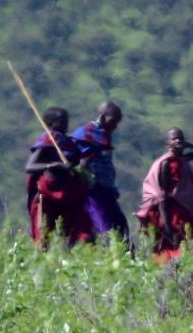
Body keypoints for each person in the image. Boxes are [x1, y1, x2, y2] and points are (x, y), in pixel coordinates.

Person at [137, 128, 193, 264]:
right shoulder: (166, 162)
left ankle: (179, 272)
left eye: (180, 139)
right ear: (168, 144)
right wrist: (167, 226)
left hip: (180, 211)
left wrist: (190, 145)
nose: (178, 141)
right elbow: (162, 196)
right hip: (167, 213)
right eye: (174, 139)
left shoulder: (183, 159)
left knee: (183, 245)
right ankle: (165, 272)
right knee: (168, 246)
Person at [23, 107, 94, 247]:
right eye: (62, 121)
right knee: (45, 236)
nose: (66, 124)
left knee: (81, 233)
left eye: (66, 121)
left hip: (69, 195)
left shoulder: (68, 141)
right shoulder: (49, 139)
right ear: (52, 123)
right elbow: (30, 167)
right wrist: (55, 166)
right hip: (49, 195)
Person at [71, 100, 130, 242]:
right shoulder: (84, 134)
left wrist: (113, 186)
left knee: (122, 227)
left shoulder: (105, 135)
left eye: (117, 122)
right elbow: (73, 159)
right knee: (106, 229)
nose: (115, 126)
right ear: (103, 117)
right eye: (113, 121)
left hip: (107, 190)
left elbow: (107, 164)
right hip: (92, 191)